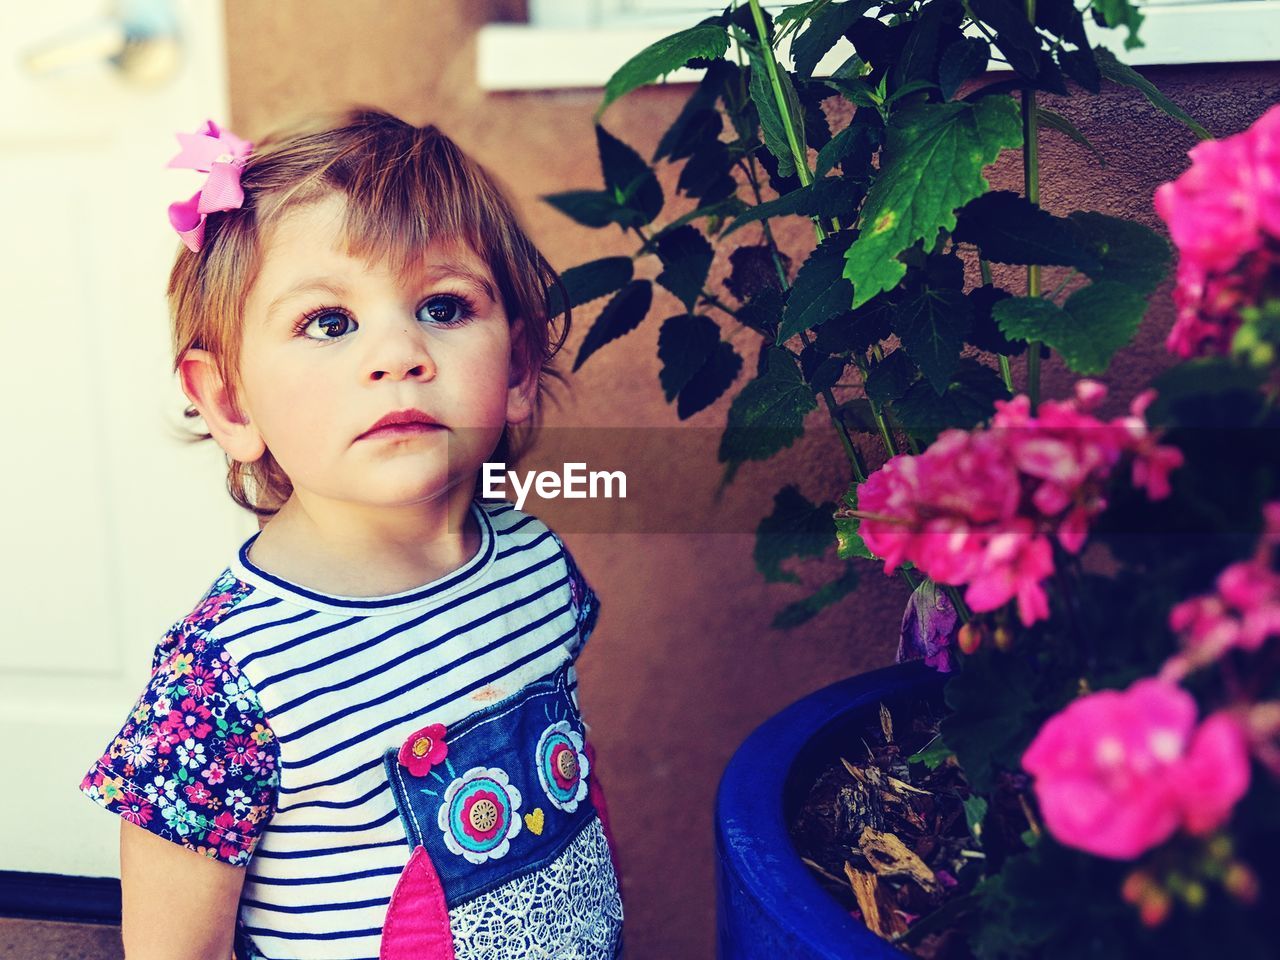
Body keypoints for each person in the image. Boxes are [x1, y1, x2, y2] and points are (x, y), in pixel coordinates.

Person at [77, 108, 623, 960]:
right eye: (328, 322)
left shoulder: (536, 568)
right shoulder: (227, 678)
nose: (400, 351)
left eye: (443, 306)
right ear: (229, 402)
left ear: (517, 370)